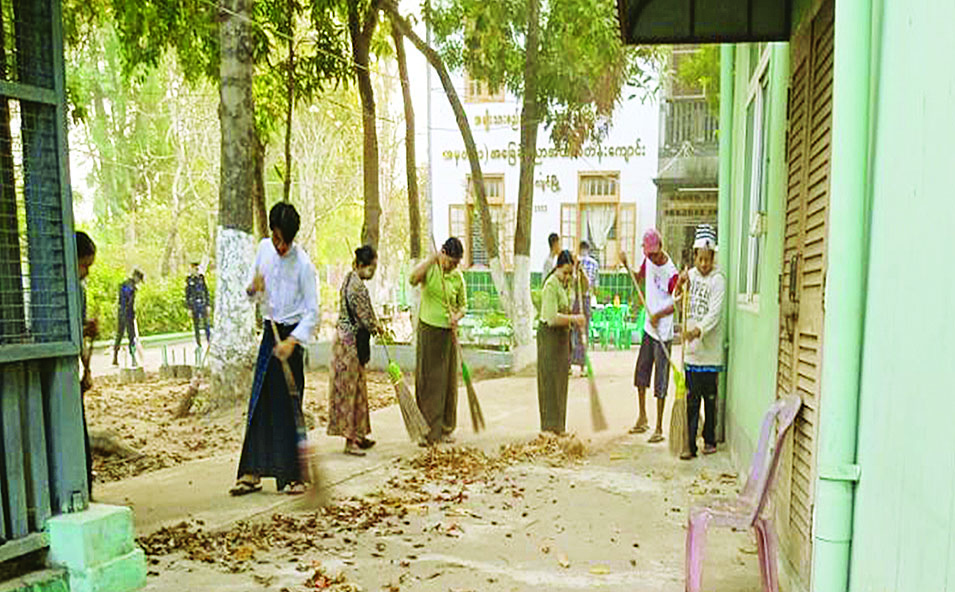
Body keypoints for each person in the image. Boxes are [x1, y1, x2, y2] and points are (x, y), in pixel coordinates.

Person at [230, 202, 318, 496]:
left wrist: (293, 341)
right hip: (270, 333)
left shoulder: (303, 265)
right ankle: (252, 471)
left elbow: (312, 312)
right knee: (260, 401)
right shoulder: (264, 250)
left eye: (286, 242)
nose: (281, 247)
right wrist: (253, 288)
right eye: (278, 239)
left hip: (291, 338)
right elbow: (252, 294)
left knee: (288, 406)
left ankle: (294, 476)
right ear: (271, 232)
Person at [620, 228, 678, 443]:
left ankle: (659, 427)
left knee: (660, 380)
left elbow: (676, 303)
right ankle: (642, 417)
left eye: (654, 253)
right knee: (641, 374)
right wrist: (627, 265)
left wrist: (659, 315)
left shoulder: (671, 273)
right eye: (648, 254)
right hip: (649, 329)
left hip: (663, 332)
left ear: (661, 247)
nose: (652, 257)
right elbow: (639, 277)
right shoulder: (648, 261)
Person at [327, 245, 386, 457]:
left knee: (358, 389)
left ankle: (359, 435)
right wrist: (376, 327)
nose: (373, 272)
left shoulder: (350, 279)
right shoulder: (356, 287)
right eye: (371, 268)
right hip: (348, 345)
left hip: (348, 343)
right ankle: (350, 440)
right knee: (349, 391)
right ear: (361, 265)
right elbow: (365, 317)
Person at [409, 237, 467, 446]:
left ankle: (445, 428)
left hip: (447, 335)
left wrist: (456, 317)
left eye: (456, 263)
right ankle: (426, 431)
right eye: (450, 261)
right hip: (428, 331)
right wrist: (432, 259)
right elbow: (413, 279)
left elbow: (463, 306)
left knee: (447, 382)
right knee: (428, 381)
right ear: (442, 254)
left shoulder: (457, 277)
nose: (453, 266)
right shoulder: (431, 269)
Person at [676, 225, 725, 459]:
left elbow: (714, 314)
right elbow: (677, 300)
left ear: (713, 258)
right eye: (700, 259)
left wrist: (698, 331)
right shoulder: (690, 277)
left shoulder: (718, 280)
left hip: (710, 353)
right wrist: (679, 284)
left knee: (710, 399)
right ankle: (689, 445)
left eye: (708, 259)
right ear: (695, 256)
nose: (704, 264)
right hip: (692, 354)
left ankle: (710, 439)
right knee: (692, 400)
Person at [537, 250, 586, 434]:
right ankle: (548, 427)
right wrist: (575, 319)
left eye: (570, 273)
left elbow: (585, 287)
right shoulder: (551, 285)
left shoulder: (568, 283)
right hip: (549, 336)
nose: (567, 277)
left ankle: (559, 426)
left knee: (560, 381)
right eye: (564, 272)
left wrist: (580, 271)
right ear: (557, 268)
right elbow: (551, 318)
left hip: (562, 337)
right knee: (549, 381)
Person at [76, 231, 98, 497]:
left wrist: (87, 370)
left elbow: (78, 336)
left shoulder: (79, 292)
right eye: (84, 265)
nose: (86, 272)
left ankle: (86, 489)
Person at [571, 241, 599, 375]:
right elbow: (595, 286)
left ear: (580, 249)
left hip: (575, 299)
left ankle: (570, 365)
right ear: (588, 249)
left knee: (572, 331)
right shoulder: (594, 264)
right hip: (586, 299)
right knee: (584, 331)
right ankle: (583, 366)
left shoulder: (575, 262)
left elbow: (572, 281)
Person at [111, 268, 144, 366]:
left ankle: (115, 357)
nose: (138, 282)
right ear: (136, 277)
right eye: (139, 280)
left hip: (121, 312)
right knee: (131, 336)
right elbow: (128, 302)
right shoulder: (130, 287)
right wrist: (131, 314)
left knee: (119, 335)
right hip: (127, 314)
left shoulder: (123, 285)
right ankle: (133, 358)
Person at [185, 262, 212, 347]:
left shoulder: (201, 278)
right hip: (194, 305)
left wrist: (208, 305)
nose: (195, 270)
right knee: (196, 325)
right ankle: (198, 343)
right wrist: (189, 308)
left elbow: (206, 292)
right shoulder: (189, 280)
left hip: (202, 303)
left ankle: (209, 341)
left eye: (196, 268)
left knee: (206, 324)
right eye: (193, 268)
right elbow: (187, 295)